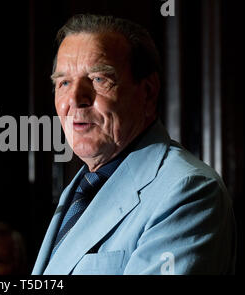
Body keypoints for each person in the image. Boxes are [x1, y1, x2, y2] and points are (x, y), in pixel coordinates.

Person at [32, 14, 236, 275]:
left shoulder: (188, 191)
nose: (75, 99)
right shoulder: (83, 187)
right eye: (63, 83)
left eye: (98, 79)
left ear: (148, 92)